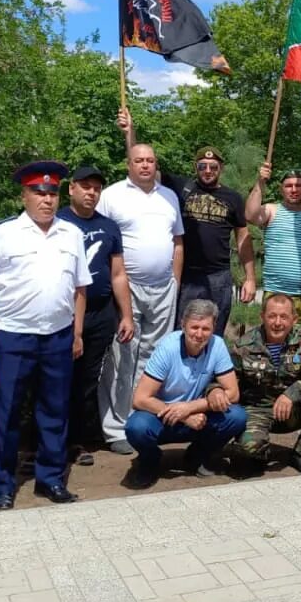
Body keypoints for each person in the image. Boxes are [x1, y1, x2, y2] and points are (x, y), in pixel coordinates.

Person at [0, 161, 92, 510]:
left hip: (58, 336)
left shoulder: (72, 234)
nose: (47, 199)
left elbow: (80, 288)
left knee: (55, 410)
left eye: (52, 193)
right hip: (14, 338)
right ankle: (4, 485)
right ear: (24, 195)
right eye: (39, 192)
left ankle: (50, 479)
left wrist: (77, 332)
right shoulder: (1, 235)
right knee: (6, 414)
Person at [118, 109, 255, 337]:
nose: (208, 170)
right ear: (196, 167)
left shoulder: (233, 198)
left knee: (213, 333)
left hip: (218, 277)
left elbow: (243, 239)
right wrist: (129, 132)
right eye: (202, 166)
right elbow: (142, 166)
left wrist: (250, 278)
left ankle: (210, 373)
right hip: (187, 277)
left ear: (221, 168)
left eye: (213, 166)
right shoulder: (179, 187)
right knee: (181, 333)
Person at [96, 139, 184, 454]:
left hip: (163, 288)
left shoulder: (169, 196)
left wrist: (175, 279)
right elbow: (100, 239)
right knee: (123, 357)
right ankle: (115, 428)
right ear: (129, 164)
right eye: (139, 160)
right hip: (127, 288)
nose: (145, 165)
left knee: (153, 356)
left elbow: (177, 242)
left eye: (150, 160)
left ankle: (141, 419)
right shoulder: (111, 196)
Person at [124, 299, 247, 489]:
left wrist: (190, 408)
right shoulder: (168, 348)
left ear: (214, 327)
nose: (199, 334)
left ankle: (197, 456)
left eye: (205, 328)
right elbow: (140, 399)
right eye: (194, 327)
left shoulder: (218, 345)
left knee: (237, 416)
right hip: (161, 416)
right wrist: (183, 417)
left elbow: (233, 393)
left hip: (197, 415)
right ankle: (149, 460)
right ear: (183, 325)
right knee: (136, 427)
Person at [57, 166, 135, 466]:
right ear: (71, 189)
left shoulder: (109, 227)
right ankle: (45, 441)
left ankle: (76, 440)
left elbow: (117, 273)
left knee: (88, 379)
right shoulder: (58, 222)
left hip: (102, 314)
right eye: (85, 186)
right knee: (57, 377)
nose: (91, 192)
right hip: (64, 313)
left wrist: (126, 315)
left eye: (96, 188)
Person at [230, 294, 301, 474]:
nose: (277, 322)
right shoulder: (244, 345)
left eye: (284, 317)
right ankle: (258, 452)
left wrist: (292, 394)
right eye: (272, 316)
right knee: (249, 452)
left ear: (294, 319)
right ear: (262, 316)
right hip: (258, 411)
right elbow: (226, 382)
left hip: (294, 410)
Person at [246, 162, 301, 330]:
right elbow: (250, 215)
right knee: (274, 344)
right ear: (282, 189)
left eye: (298, 185)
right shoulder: (271, 210)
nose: (293, 189)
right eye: (288, 186)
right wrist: (260, 182)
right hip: (276, 294)